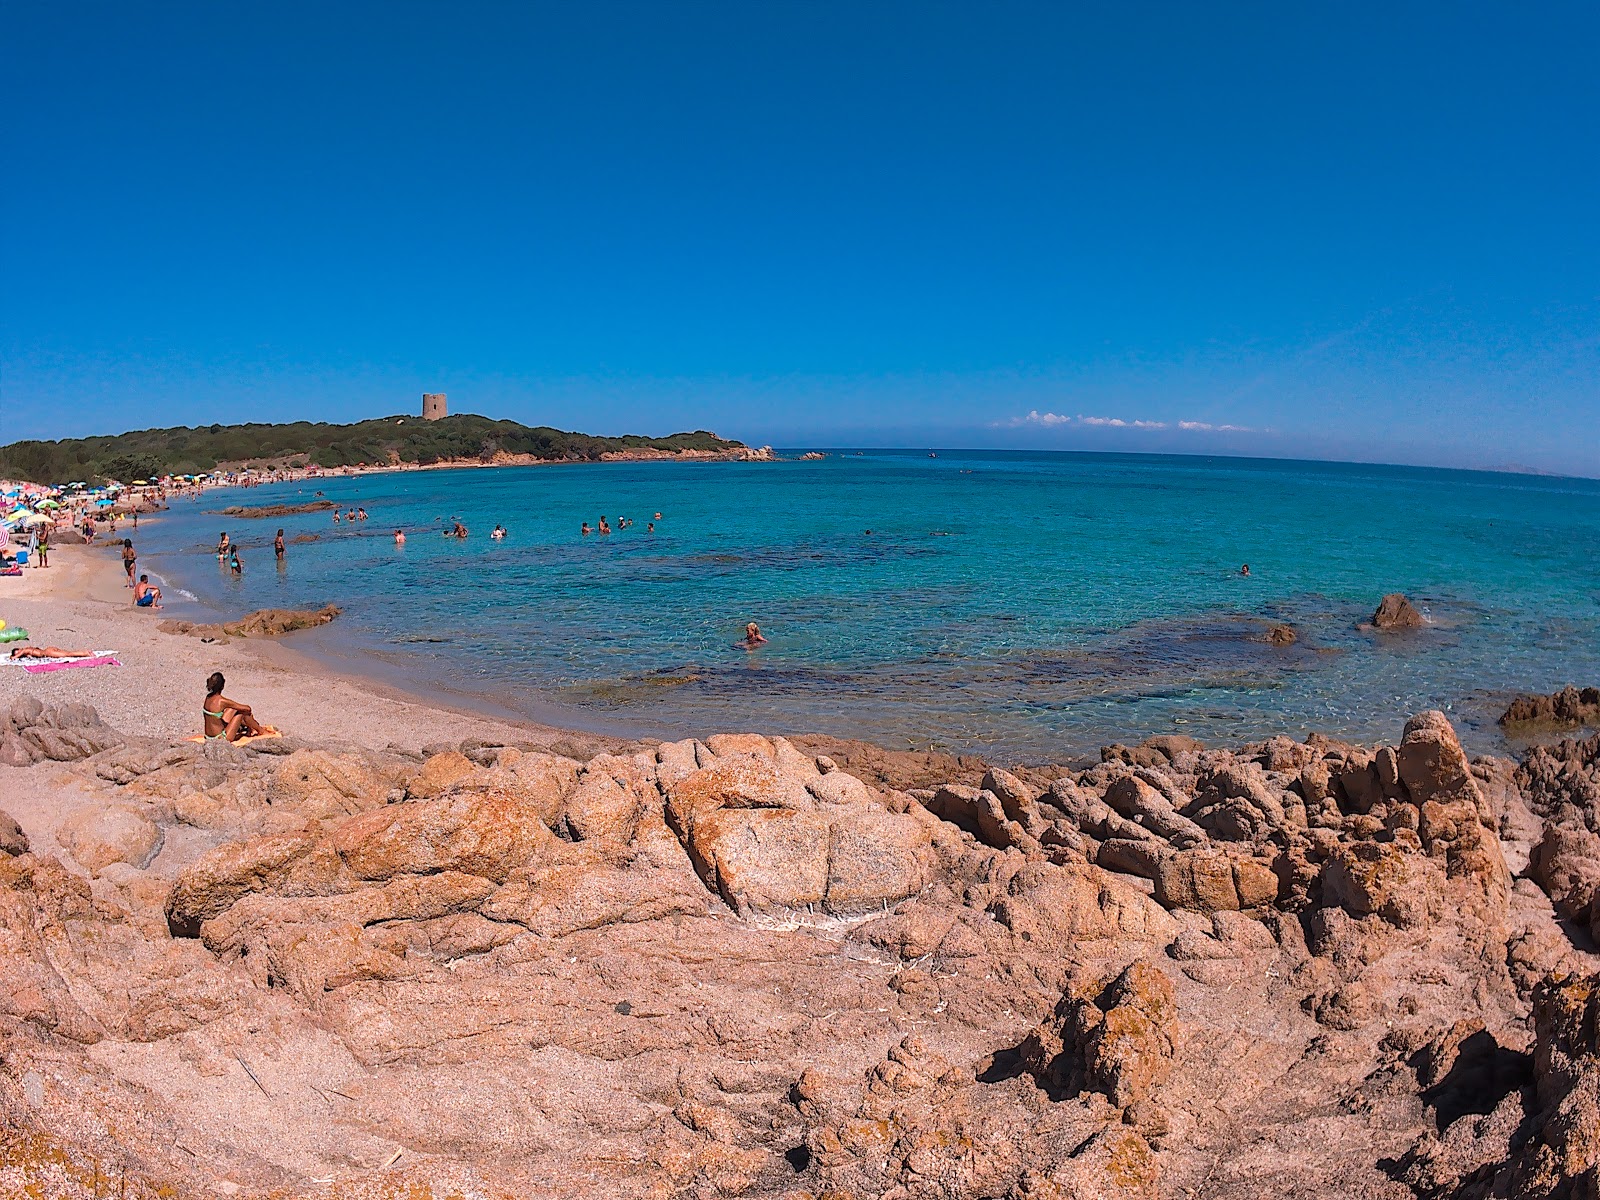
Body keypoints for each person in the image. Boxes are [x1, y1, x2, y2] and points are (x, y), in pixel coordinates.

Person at [203, 672, 274, 742]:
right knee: (243, 713)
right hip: (221, 738)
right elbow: (248, 709)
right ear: (222, 686)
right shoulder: (221, 701)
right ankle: (261, 731)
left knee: (232, 709)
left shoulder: (208, 697)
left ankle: (251, 729)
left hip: (208, 736)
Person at [9, 645, 94, 660]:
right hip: (49, 649)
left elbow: (22, 652)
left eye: (18, 651)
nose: (19, 653)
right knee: (68, 653)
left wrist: (13, 657)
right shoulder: (28, 652)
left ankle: (86, 653)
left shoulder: (25, 650)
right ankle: (85, 652)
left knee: (68, 654)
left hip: (48, 652)